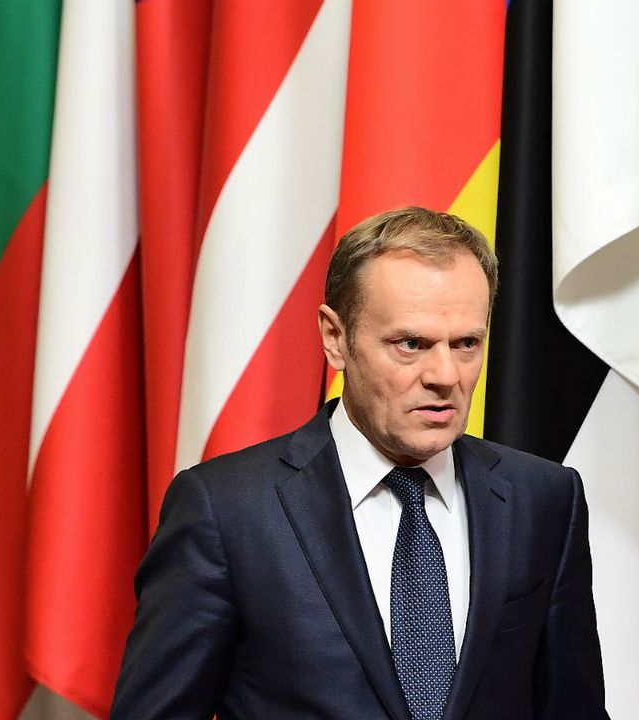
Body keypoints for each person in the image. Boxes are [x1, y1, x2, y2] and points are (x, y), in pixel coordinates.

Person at [110, 208, 608, 719]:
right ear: (335, 337)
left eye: (466, 344)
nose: (445, 375)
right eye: (411, 344)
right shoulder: (226, 509)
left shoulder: (544, 498)